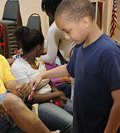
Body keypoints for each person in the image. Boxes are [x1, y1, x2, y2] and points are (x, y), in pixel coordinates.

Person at [30, 0, 120, 132]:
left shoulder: (109, 52)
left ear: (84, 22)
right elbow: (69, 69)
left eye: (68, 31)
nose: (66, 37)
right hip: (83, 124)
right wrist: (42, 75)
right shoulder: (80, 45)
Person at [11, 26, 73, 133]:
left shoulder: (38, 60)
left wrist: (57, 93)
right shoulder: (18, 67)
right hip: (37, 105)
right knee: (70, 123)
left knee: (82, 113)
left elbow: (47, 79)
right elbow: (30, 98)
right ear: (38, 47)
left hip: (51, 96)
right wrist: (56, 95)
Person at [41, 0, 74, 98]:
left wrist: (35, 55)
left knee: (75, 101)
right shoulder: (72, 19)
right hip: (77, 64)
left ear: (50, 13)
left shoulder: (55, 27)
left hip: (74, 65)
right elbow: (49, 42)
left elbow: (51, 58)